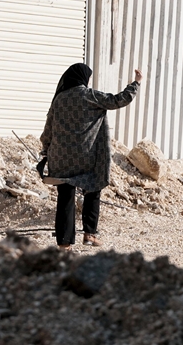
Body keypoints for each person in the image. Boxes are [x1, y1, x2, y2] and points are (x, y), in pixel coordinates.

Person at [40, 63, 143, 250]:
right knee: (94, 187)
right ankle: (89, 234)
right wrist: (135, 83)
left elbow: (48, 128)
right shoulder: (90, 96)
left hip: (61, 158)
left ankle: (64, 245)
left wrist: (45, 149)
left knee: (65, 197)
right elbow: (119, 99)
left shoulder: (59, 99)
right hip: (86, 157)